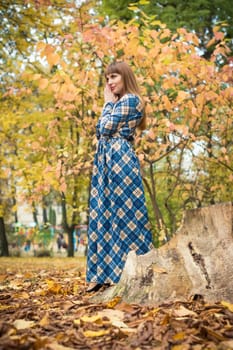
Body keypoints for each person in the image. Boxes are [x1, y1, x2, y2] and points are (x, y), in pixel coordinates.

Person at [86, 61, 153, 292]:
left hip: (120, 160)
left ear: (125, 76)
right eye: (107, 78)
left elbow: (103, 128)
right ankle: (103, 274)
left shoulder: (131, 100)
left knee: (125, 215)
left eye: (114, 76)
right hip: (105, 161)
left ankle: (134, 271)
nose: (109, 82)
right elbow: (100, 130)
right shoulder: (118, 103)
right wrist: (108, 108)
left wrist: (106, 105)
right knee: (103, 212)